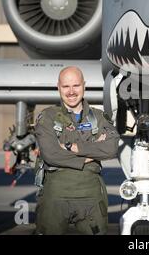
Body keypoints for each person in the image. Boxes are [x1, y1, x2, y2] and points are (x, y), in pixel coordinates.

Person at [34, 66, 120, 235]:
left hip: (91, 197)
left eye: (76, 86)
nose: (71, 92)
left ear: (84, 86)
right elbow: (51, 154)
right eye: (66, 86)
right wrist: (90, 155)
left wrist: (72, 147)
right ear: (59, 87)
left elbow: (111, 148)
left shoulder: (99, 117)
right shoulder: (48, 117)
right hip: (55, 196)